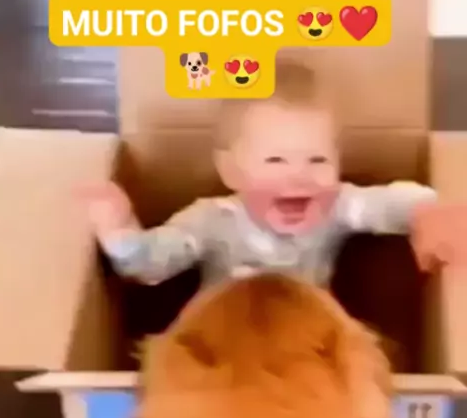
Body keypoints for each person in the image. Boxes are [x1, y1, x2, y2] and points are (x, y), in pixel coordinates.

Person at [81, 61, 466, 370]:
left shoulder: (335, 207)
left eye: (318, 160)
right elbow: (151, 264)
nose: (298, 176)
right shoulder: (211, 221)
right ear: (232, 171)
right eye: (276, 160)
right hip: (220, 350)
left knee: (372, 360)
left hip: (310, 349)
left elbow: (386, 203)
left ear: (338, 164)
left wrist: (426, 212)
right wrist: (119, 229)